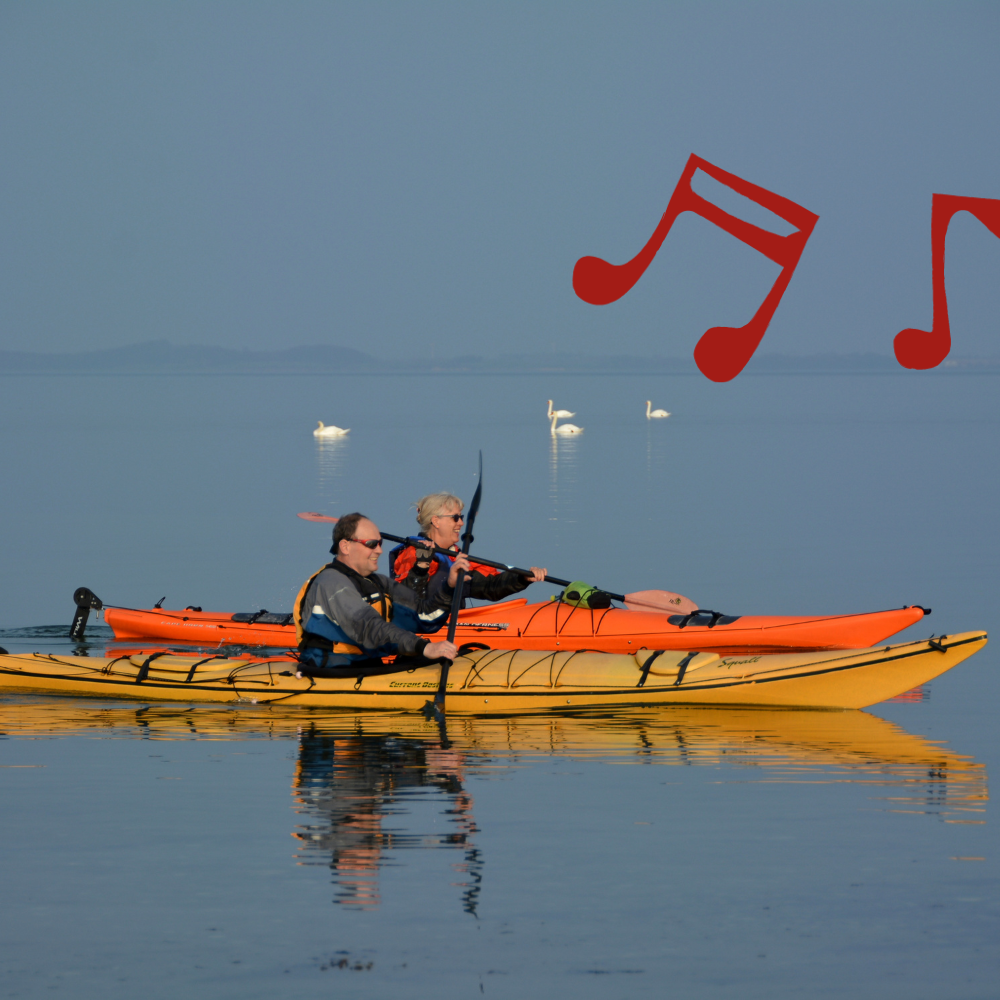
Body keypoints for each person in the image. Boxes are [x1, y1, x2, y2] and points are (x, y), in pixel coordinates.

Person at [294, 511, 467, 677]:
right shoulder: (331, 582)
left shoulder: (377, 582)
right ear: (345, 546)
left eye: (380, 543)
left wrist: (449, 586)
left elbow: (423, 616)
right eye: (371, 544)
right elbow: (369, 627)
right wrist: (424, 647)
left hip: (368, 667)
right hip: (332, 670)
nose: (379, 551)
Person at [387, 492, 547, 633]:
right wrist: (421, 567)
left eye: (461, 517)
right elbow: (405, 603)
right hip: (425, 630)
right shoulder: (413, 553)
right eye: (455, 518)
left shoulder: (454, 556)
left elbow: (490, 586)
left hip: (451, 628)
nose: (461, 523)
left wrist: (522, 578)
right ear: (436, 521)